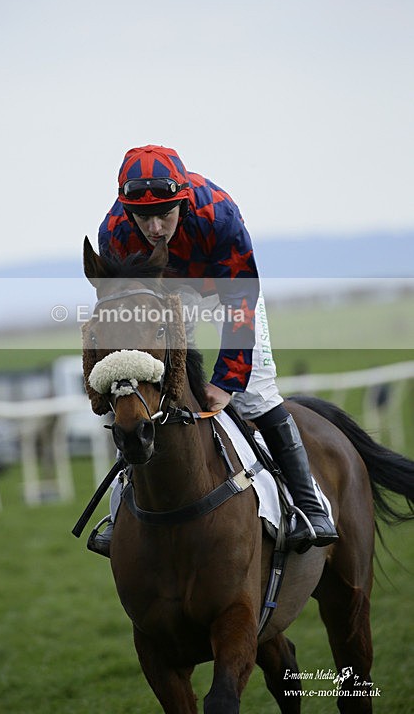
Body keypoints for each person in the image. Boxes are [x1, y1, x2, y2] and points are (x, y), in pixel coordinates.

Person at [90, 144, 337, 555]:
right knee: (146, 394)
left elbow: (239, 299)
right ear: (127, 210)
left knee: (255, 393)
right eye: (143, 217)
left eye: (164, 214)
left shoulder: (218, 213)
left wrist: (227, 380)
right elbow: (126, 310)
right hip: (168, 296)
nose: (154, 227)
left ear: (183, 201)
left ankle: (309, 506)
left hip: (227, 290)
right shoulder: (114, 230)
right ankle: (120, 513)